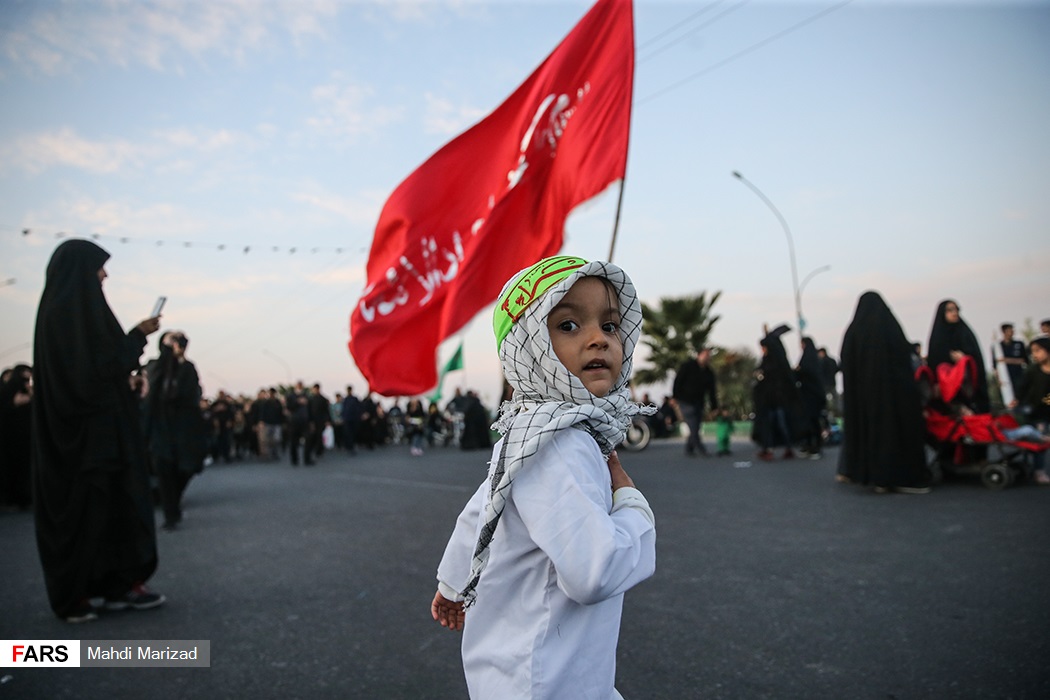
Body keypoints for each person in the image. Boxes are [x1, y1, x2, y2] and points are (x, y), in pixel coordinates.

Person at [431, 255, 656, 700]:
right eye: (568, 325)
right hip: (550, 679)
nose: (598, 339)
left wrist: (453, 583)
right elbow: (595, 573)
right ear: (528, 347)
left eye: (610, 325)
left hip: (519, 670)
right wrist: (633, 506)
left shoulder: (531, 430)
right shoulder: (560, 442)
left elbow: (482, 512)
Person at [31, 239, 166, 623]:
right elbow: (91, 374)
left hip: (107, 438)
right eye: (98, 268)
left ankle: (116, 585)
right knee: (84, 515)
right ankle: (76, 594)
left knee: (116, 512)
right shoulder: (64, 317)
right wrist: (137, 335)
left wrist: (126, 378)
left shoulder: (83, 315)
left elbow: (104, 369)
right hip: (81, 444)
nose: (104, 275)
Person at [836, 291, 930, 494]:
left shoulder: (853, 332)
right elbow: (903, 356)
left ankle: (877, 478)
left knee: (872, 434)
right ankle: (901, 478)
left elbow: (846, 363)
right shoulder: (889, 327)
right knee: (897, 433)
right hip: (894, 396)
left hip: (864, 400)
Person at [143, 330, 207, 531]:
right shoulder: (155, 366)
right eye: (171, 342)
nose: (176, 346)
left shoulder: (187, 368)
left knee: (187, 468)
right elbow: (150, 391)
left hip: (184, 427)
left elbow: (191, 394)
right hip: (160, 426)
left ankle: (174, 501)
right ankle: (170, 513)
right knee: (164, 468)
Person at [927, 300, 990, 413]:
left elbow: (976, 358)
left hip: (968, 388)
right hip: (946, 393)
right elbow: (934, 361)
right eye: (950, 310)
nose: (954, 313)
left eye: (956, 309)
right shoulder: (938, 337)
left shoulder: (964, 333)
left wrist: (965, 358)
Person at [752, 325, 801, 461]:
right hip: (770, 400)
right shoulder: (770, 361)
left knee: (779, 424)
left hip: (777, 400)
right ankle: (771, 449)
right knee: (772, 425)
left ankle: (783, 448)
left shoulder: (775, 363)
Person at [1010, 336, 1050, 484]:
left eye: (1038, 351)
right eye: (1033, 351)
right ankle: (1038, 471)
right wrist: (1017, 400)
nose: (1034, 355)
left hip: (1046, 409)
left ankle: (1035, 469)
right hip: (1034, 411)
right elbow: (1022, 388)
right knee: (1039, 440)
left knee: (1041, 439)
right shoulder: (1032, 370)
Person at [672, 347, 719, 457]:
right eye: (705, 355)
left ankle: (689, 448)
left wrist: (714, 407)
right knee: (693, 424)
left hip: (699, 402)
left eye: (709, 356)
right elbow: (678, 381)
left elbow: (712, 391)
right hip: (685, 401)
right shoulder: (688, 366)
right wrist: (675, 397)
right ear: (699, 355)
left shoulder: (709, 372)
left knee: (696, 426)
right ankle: (701, 448)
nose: (707, 358)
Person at [0, 364, 34, 511]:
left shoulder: (30, 393)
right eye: (23, 379)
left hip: (27, 440)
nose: (25, 383)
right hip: (9, 441)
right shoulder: (6, 393)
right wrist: (14, 403)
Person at [795, 337, 827, 459]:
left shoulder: (809, 360)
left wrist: (799, 371)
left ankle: (815, 447)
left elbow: (807, 372)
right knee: (810, 420)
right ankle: (809, 445)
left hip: (811, 394)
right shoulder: (813, 358)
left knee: (813, 421)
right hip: (811, 394)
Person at [998, 323, 1027, 398]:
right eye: (1009, 330)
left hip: (1018, 375)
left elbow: (1024, 360)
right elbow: (995, 365)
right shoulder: (998, 347)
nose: (1012, 332)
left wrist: (1007, 360)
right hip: (1005, 376)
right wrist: (999, 378)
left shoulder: (1019, 344)